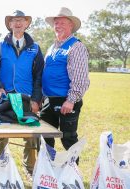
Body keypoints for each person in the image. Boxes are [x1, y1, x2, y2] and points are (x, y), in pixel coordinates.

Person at [0, 10, 44, 179]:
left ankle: (31, 170)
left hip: (26, 99)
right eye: (14, 21)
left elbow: (39, 76)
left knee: (31, 137)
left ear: (26, 24)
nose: (18, 23)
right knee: (1, 136)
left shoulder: (35, 48)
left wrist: (36, 99)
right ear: (9, 24)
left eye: (21, 20)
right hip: (5, 99)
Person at [42, 7, 90, 156]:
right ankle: (48, 171)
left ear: (71, 25)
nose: (58, 26)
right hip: (49, 101)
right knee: (45, 137)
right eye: (56, 23)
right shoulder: (52, 47)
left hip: (66, 101)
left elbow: (81, 78)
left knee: (68, 139)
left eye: (62, 22)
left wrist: (71, 100)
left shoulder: (76, 46)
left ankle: (73, 174)